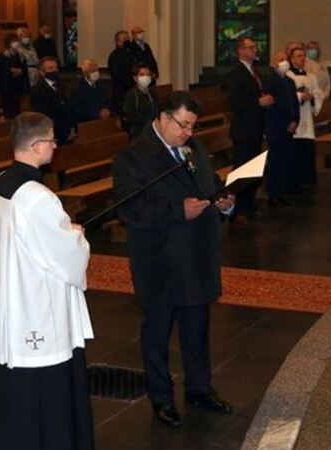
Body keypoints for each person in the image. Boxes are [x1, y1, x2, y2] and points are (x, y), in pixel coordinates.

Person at [112, 91, 235, 428]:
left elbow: (210, 182)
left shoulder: (193, 147)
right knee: (157, 333)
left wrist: (224, 199)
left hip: (196, 255)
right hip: (161, 260)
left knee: (197, 330)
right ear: (164, 118)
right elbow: (130, 208)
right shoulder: (134, 156)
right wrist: (177, 210)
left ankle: (199, 388)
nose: (188, 133)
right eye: (183, 125)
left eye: (193, 126)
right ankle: (161, 398)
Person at [0, 111, 94, 450]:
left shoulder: (0, 184)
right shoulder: (37, 196)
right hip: (37, 307)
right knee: (47, 389)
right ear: (35, 146)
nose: (55, 145)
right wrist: (76, 236)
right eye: (51, 140)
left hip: (11, 298)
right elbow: (64, 255)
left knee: (17, 390)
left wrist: (63, 232)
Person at [224, 37, 274, 223]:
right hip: (243, 129)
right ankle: (237, 209)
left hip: (255, 127)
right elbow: (235, 102)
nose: (255, 50)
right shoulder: (235, 74)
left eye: (255, 47)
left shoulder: (254, 71)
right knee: (242, 168)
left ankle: (249, 205)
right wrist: (258, 102)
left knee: (254, 168)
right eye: (251, 47)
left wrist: (266, 100)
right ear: (241, 51)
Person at [264, 51, 300, 205]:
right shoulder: (269, 81)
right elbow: (272, 105)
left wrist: (295, 120)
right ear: (274, 63)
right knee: (275, 161)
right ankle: (273, 193)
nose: (284, 62)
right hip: (276, 126)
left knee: (286, 160)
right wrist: (284, 122)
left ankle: (283, 191)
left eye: (285, 59)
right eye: (280, 60)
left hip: (289, 127)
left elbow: (294, 104)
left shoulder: (290, 81)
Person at [286, 46, 324, 187]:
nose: (302, 58)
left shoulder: (311, 76)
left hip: (306, 116)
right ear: (292, 59)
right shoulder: (287, 76)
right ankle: (293, 180)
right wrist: (299, 96)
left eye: (303, 56)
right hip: (292, 118)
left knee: (306, 149)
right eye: (298, 56)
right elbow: (285, 95)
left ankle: (307, 179)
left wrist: (312, 97)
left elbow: (318, 94)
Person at [30, 56, 77, 145]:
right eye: (50, 68)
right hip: (52, 134)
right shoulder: (38, 90)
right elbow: (41, 116)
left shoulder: (62, 87)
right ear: (42, 72)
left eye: (55, 68)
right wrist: (50, 136)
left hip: (67, 132)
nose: (54, 71)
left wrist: (73, 128)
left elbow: (70, 108)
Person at [0, 34, 30, 120]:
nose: (16, 44)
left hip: (18, 86)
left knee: (17, 109)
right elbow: (1, 72)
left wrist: (19, 71)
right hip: (7, 88)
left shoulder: (21, 56)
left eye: (17, 41)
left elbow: (24, 70)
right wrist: (11, 71)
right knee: (8, 110)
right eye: (13, 42)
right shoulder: (3, 56)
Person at [67, 58, 111, 124]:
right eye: (92, 71)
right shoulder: (77, 88)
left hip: (103, 121)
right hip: (87, 122)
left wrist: (107, 109)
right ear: (85, 73)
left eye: (96, 70)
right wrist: (97, 113)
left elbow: (107, 99)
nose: (96, 73)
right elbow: (79, 109)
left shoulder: (100, 84)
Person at [122, 63, 159, 138]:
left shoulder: (153, 94)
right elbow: (130, 117)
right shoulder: (131, 95)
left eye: (148, 74)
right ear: (135, 78)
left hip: (153, 131)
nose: (145, 77)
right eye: (142, 75)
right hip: (138, 134)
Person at [108, 30, 135, 114]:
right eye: (124, 39)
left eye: (128, 39)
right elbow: (117, 74)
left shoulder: (130, 53)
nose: (127, 41)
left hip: (132, 90)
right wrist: (131, 81)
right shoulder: (115, 56)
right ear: (118, 42)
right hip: (121, 93)